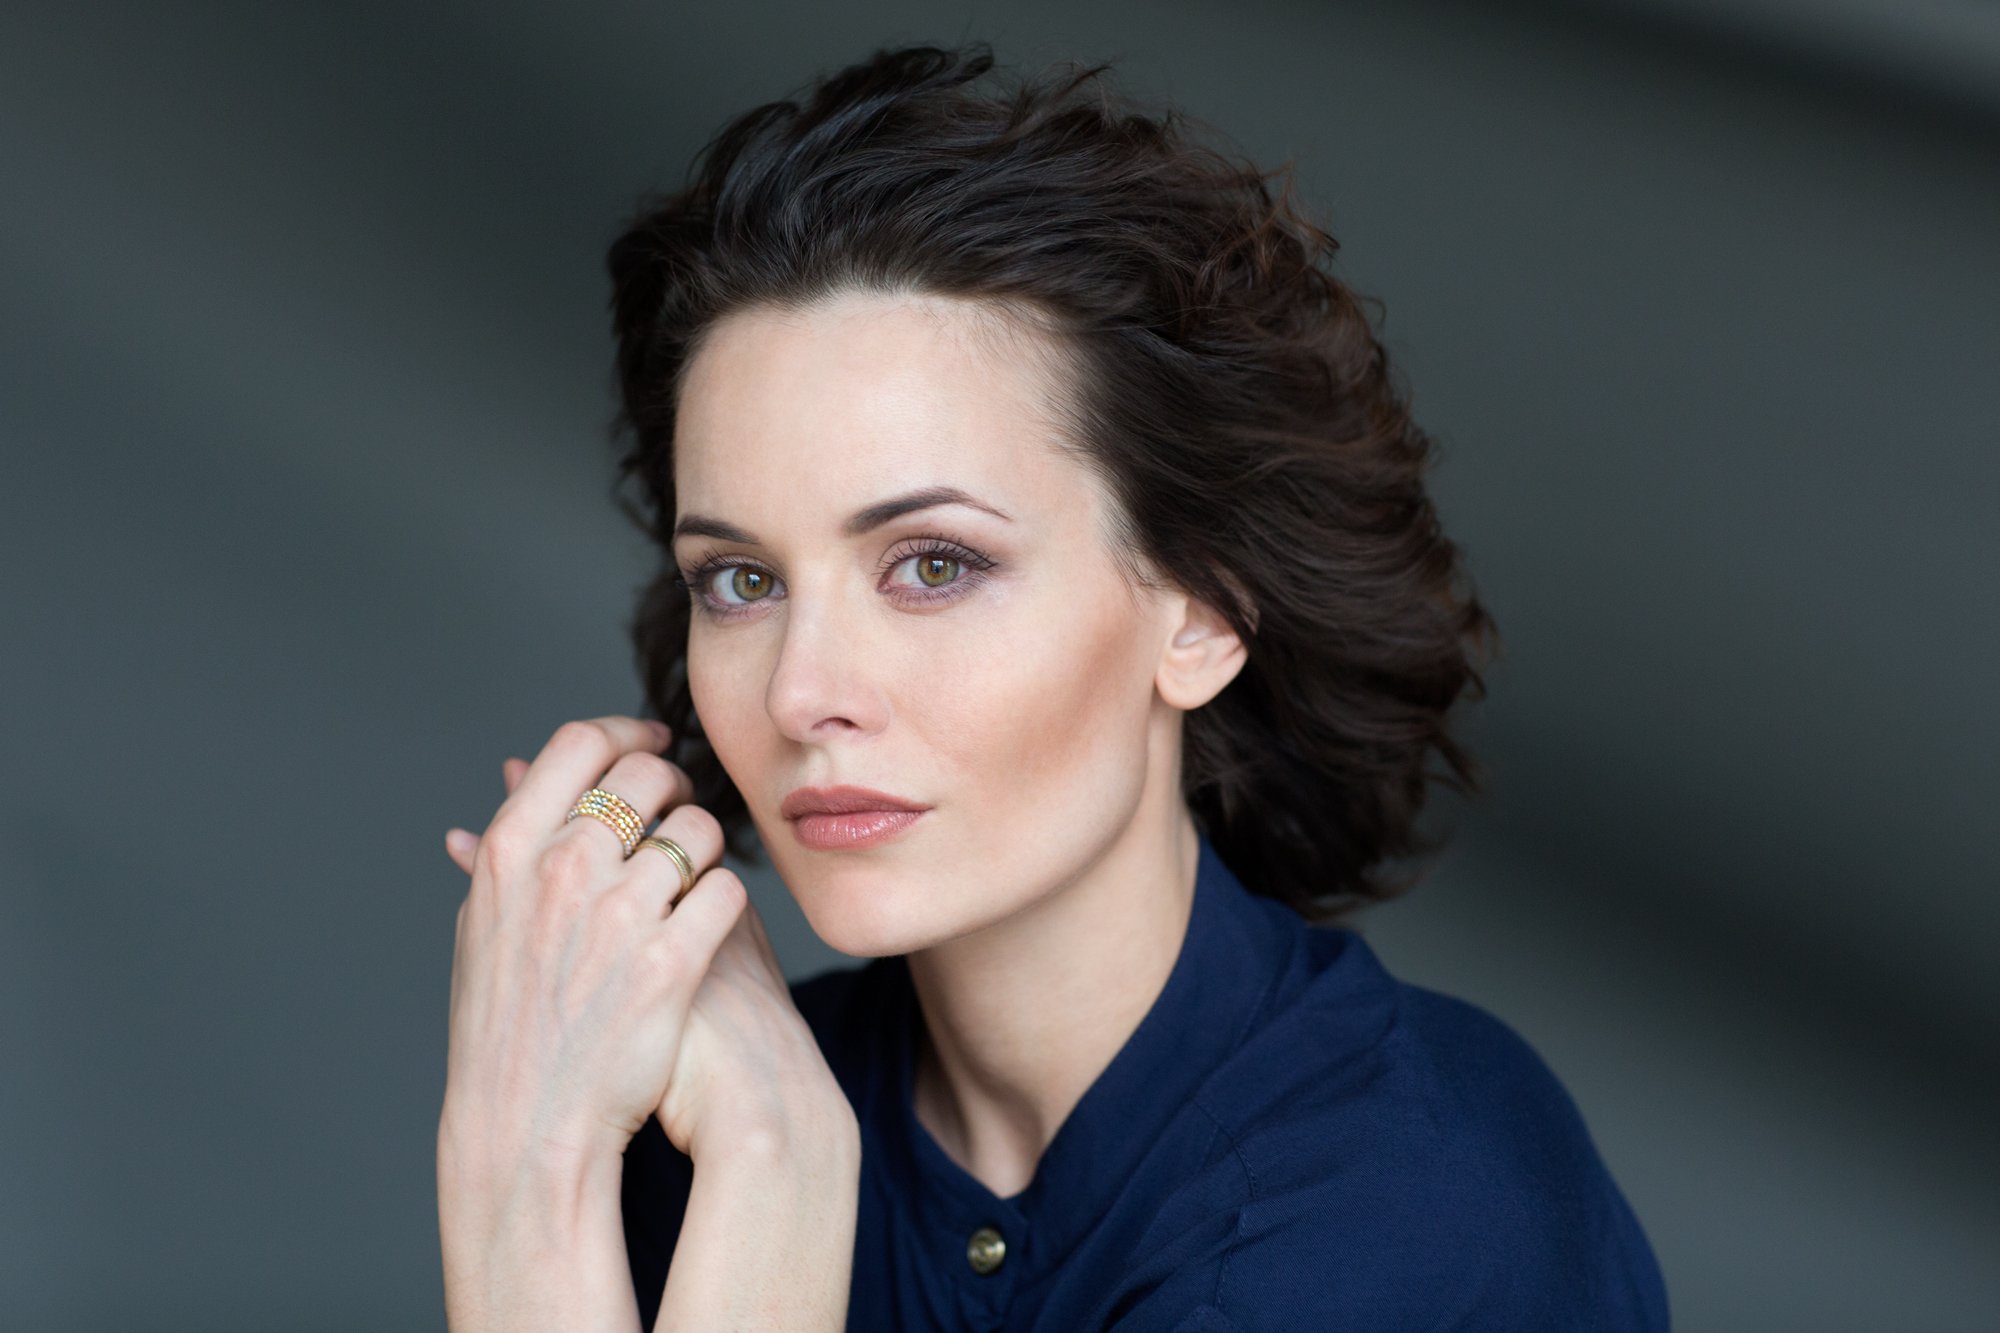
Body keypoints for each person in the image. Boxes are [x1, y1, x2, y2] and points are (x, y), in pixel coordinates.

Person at [436, 40, 1671, 1332]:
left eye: (934, 564)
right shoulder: (692, 1112)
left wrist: (750, 1173)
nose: (802, 692)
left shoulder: (1417, 1211)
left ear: (1203, 615)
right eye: (741, 581)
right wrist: (541, 1148)